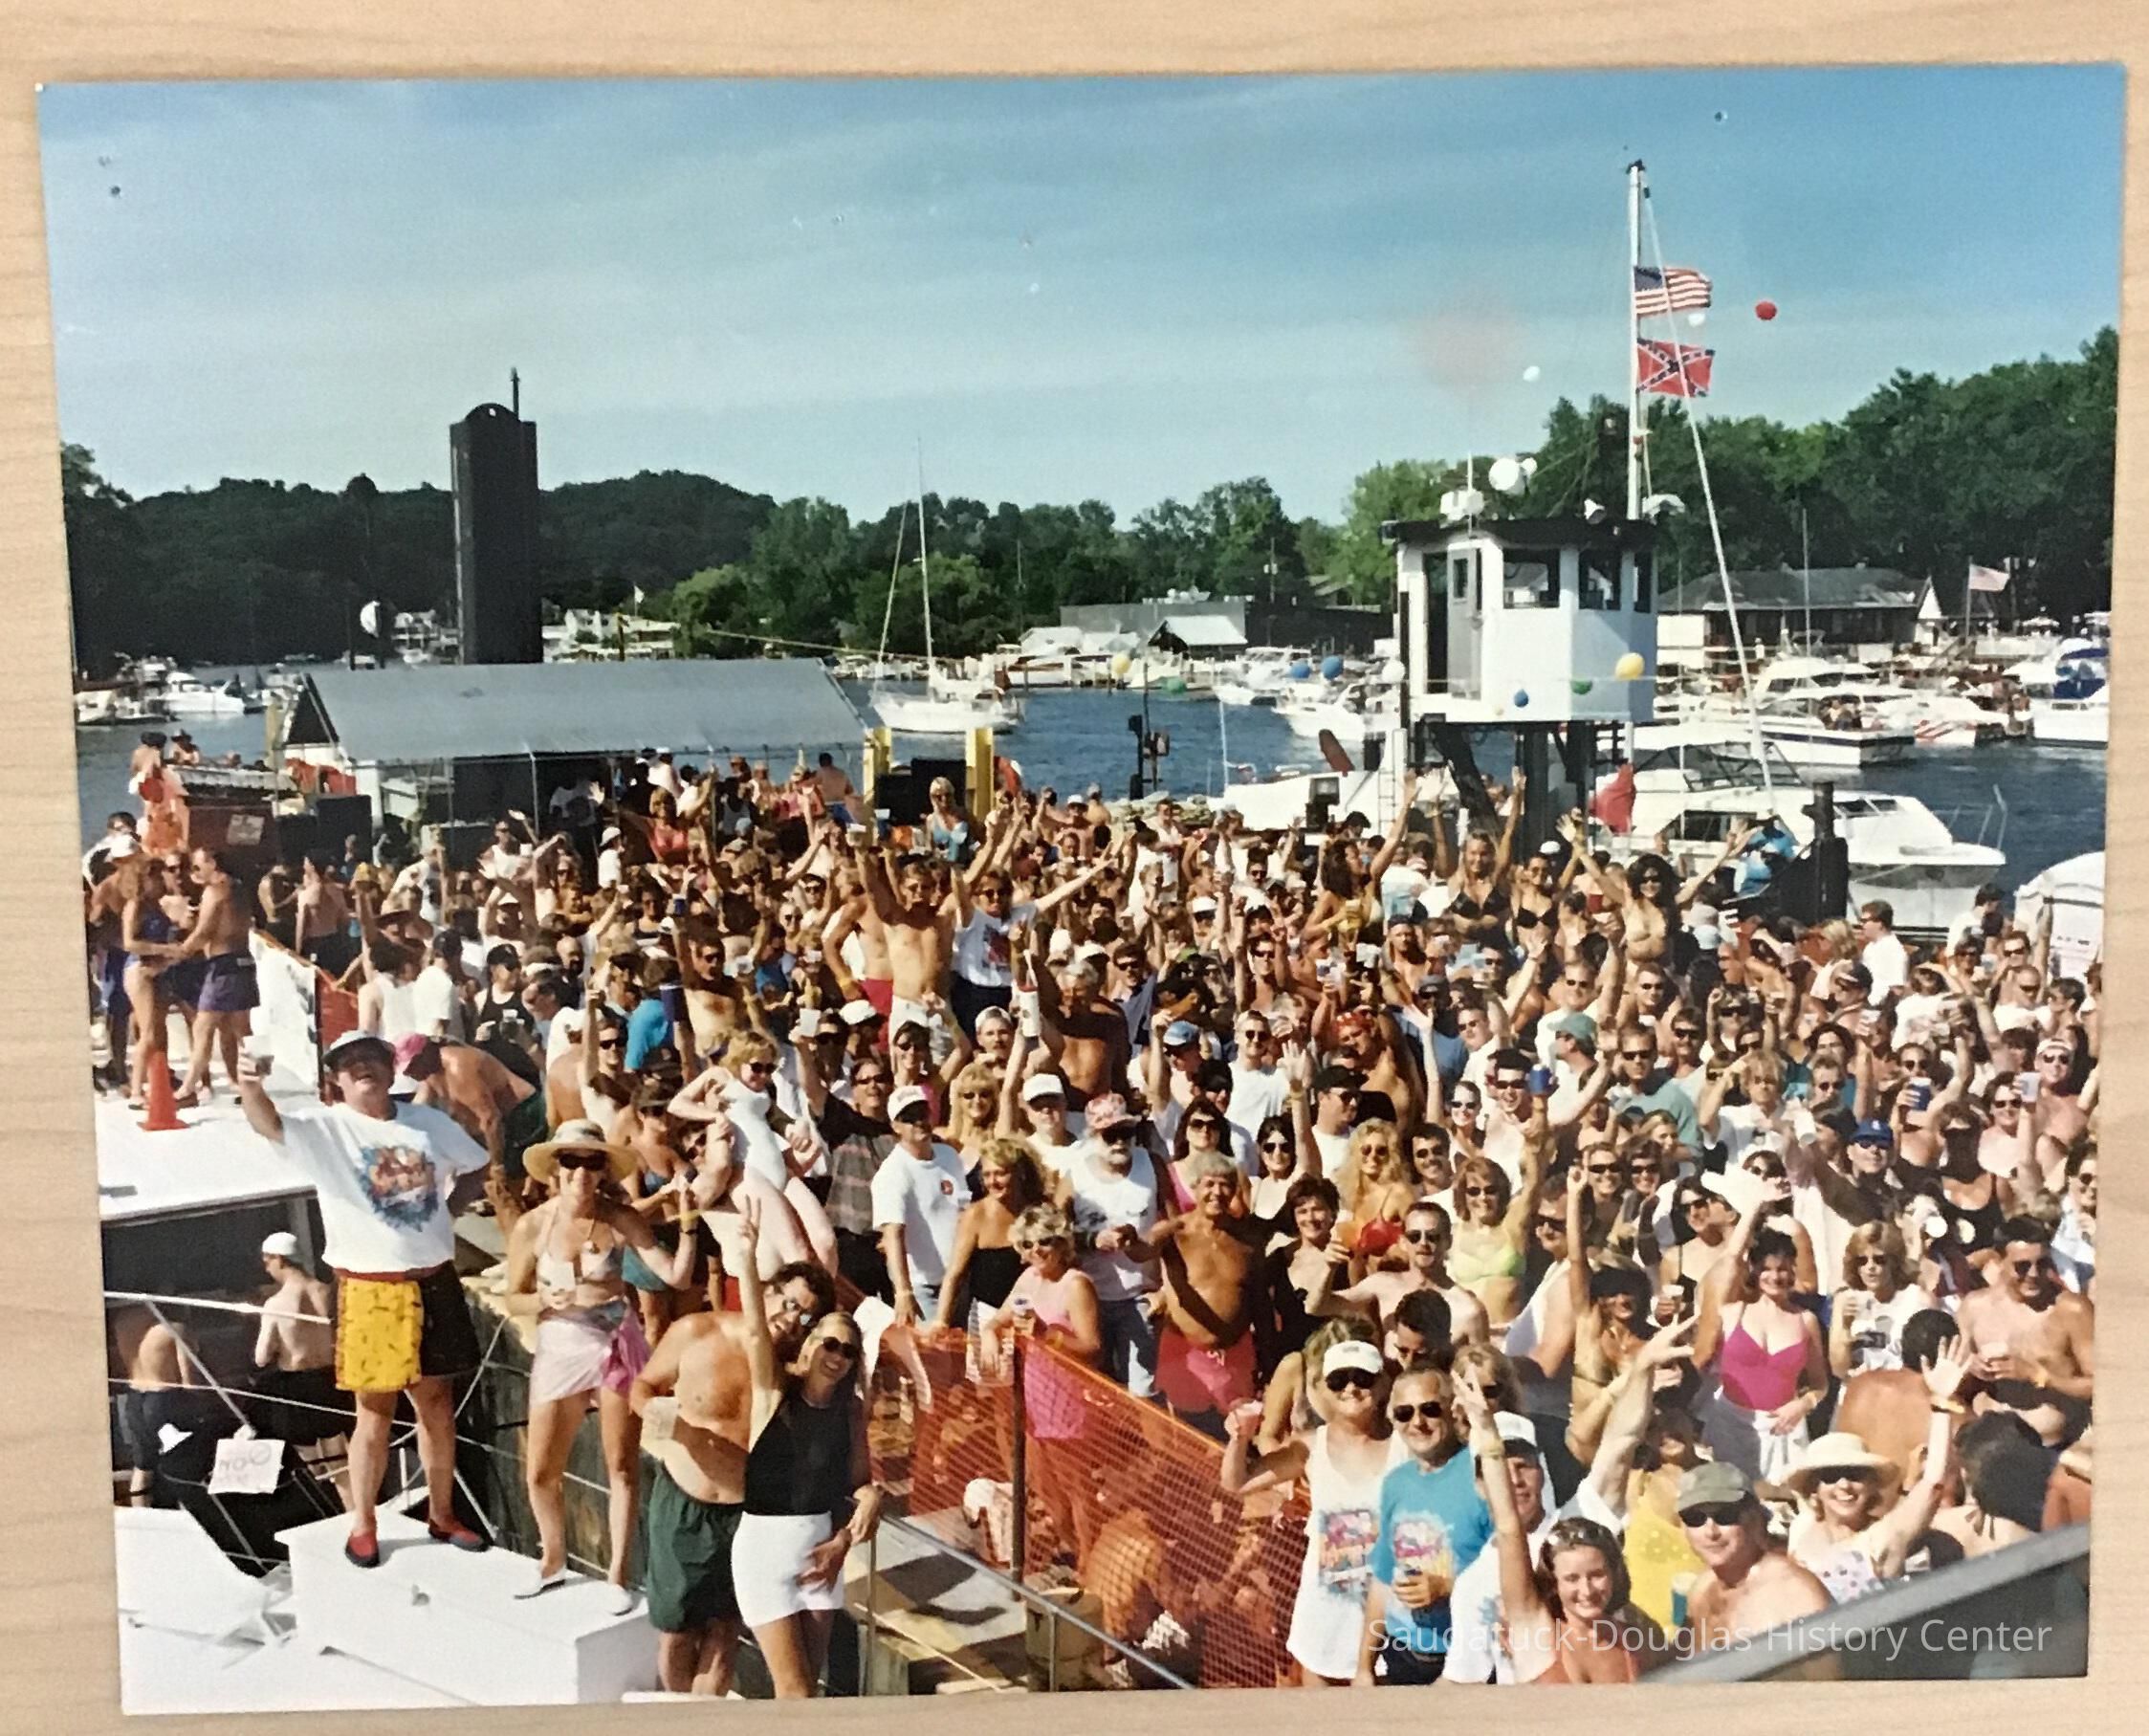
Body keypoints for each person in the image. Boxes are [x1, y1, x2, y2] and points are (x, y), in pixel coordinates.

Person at [235, 1031, 494, 1568]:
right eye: (349, 1064)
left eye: (371, 1058)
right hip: (370, 1287)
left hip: (434, 1279)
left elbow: (477, 1163)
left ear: (388, 1066)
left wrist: (452, 1209)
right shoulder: (326, 1127)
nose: (362, 1068)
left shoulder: (427, 1123)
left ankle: (443, 1514)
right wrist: (249, 1082)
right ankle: (365, 1523)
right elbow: (267, 1124)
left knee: (437, 1407)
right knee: (372, 1413)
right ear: (336, 1079)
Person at [505, 1120, 697, 1610]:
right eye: (571, 1160)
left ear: (604, 1171)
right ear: (556, 1169)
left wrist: (691, 1224)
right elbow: (514, 1298)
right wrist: (543, 1300)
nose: (581, 1172)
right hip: (560, 1344)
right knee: (540, 1470)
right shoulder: (533, 1225)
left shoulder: (621, 1219)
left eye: (592, 1162)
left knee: (622, 1467)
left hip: (614, 1343)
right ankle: (552, 1559)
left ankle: (617, 1575)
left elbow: (675, 1277)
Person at [630, 1242, 836, 1695]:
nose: (792, 1318)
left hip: (749, 1517)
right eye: (789, 1303)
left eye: (806, 1317)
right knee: (677, 1633)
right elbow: (644, 1387)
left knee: (726, 1629)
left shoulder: (794, 1376)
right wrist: (674, 1427)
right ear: (766, 1291)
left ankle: (709, 1719)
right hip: (686, 1505)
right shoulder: (697, 1332)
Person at [729, 1198, 883, 1697]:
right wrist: (749, 1259)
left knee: (807, 1695)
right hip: (765, 1551)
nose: (837, 1356)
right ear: (811, 1342)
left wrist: (864, 1511)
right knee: (794, 1694)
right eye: (830, 1343)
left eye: (848, 1350)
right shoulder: (775, 1391)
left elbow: (858, 1483)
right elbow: (755, 1330)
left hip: (823, 1552)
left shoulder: (850, 1412)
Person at [1459, 1366, 1668, 1682]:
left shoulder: (1632, 1640)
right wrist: (1487, 1435)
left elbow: (1621, 1443)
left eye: (1597, 1575)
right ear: (1554, 1583)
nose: (1586, 1590)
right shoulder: (1536, 1634)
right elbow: (1508, 1525)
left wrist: (1645, 1365)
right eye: (1571, 1578)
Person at [1222, 1339, 1399, 1686]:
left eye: (1362, 1377)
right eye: (1339, 1380)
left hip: (1387, 1625)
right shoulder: (1310, 1445)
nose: (1351, 1387)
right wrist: (1239, 1438)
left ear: (1382, 1384)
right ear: (1323, 1390)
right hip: (1323, 1619)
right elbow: (1237, 1483)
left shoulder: (1405, 1445)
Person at [1352, 1364, 1492, 1685]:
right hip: (1402, 1654)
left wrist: (1446, 1587)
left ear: (1451, 1410)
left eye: (1429, 1409)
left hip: (1467, 1655)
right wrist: (1364, 1666)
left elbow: (1511, 1573)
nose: (1417, 1422)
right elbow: (1383, 1579)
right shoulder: (1395, 1483)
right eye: (1404, 1413)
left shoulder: (1480, 1474)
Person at [1677, 1460, 1831, 1652]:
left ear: (1755, 1518)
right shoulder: (1700, 1591)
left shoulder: (1793, 1592)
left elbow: (1830, 1675)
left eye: (1726, 1516)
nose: (1711, 1532)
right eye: (1695, 1519)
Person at [873, 1085, 970, 1327]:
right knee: (935, 1361)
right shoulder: (892, 1173)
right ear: (895, 1127)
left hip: (963, 1281)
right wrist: (903, 1293)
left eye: (922, 1113)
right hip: (924, 1290)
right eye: (908, 1118)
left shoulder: (950, 1156)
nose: (918, 1122)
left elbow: (964, 1211)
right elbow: (893, 1235)